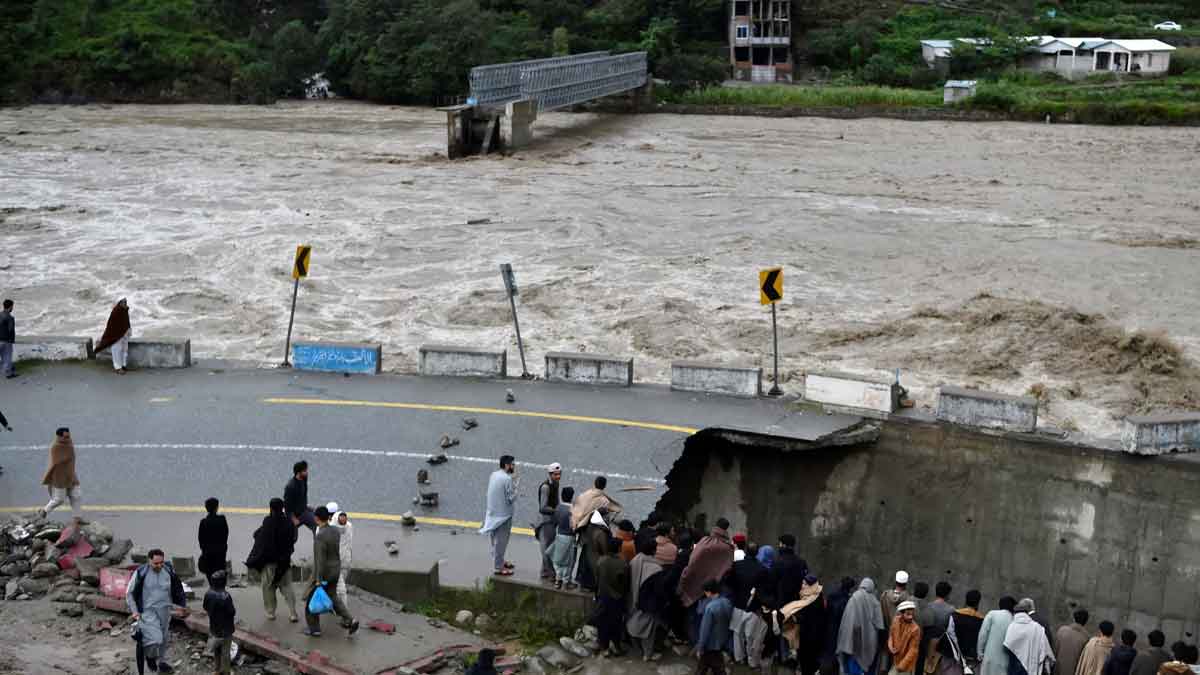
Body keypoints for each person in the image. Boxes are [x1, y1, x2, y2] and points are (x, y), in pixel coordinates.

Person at [126, 549, 189, 674]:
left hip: (165, 610)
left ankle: (162, 662)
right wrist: (135, 611)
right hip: (148, 612)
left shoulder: (168, 570)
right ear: (149, 561)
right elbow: (130, 593)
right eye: (156, 563)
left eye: (161, 562)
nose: (159, 566)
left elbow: (177, 589)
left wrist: (182, 605)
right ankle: (150, 657)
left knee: (164, 638)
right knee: (156, 638)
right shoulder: (141, 573)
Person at [302, 506, 359, 637]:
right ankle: (350, 619)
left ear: (316, 518)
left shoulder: (320, 536)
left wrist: (318, 579)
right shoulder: (335, 531)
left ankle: (314, 629)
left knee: (311, 600)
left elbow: (320, 560)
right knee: (333, 597)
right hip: (335, 570)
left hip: (324, 573)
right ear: (329, 517)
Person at [246, 498, 299, 622]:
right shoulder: (288, 522)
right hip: (284, 562)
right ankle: (292, 613)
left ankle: (271, 612)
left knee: (268, 587)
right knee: (287, 588)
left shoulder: (268, 521)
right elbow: (293, 540)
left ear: (271, 508)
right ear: (283, 508)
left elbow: (262, 539)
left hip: (270, 563)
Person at [678, 517, 735, 609]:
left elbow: (693, 560)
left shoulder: (704, 541)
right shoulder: (728, 548)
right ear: (726, 529)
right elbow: (727, 567)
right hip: (711, 590)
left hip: (693, 581)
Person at [627, 537, 665, 661]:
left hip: (633, 600)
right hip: (648, 605)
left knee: (634, 624)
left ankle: (637, 648)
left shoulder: (634, 561)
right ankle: (647, 654)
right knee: (649, 631)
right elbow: (659, 591)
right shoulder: (656, 568)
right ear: (654, 550)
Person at [838, 577, 885, 675]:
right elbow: (880, 625)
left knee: (853, 665)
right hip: (870, 643)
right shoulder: (875, 601)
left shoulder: (854, 598)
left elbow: (847, 621)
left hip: (854, 642)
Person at [480, 455, 518, 577]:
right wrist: (515, 485)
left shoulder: (494, 475)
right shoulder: (507, 479)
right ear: (507, 465)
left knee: (495, 540)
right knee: (501, 542)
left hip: (492, 513)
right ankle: (498, 567)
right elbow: (511, 499)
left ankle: (500, 560)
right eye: (512, 464)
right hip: (504, 516)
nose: (514, 466)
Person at [593, 535, 629, 658]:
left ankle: (605, 648)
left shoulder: (601, 561)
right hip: (617, 598)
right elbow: (625, 582)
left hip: (603, 597)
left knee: (602, 623)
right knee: (616, 623)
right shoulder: (623, 563)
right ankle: (617, 647)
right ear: (619, 548)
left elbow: (597, 580)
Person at [784, 574, 827, 675]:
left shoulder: (811, 599)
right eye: (802, 583)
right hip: (811, 634)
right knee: (809, 661)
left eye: (805, 583)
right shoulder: (817, 595)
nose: (802, 585)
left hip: (809, 635)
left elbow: (806, 615)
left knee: (807, 661)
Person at [39, 427, 82, 522]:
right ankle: (44, 511)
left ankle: (77, 518)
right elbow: (56, 463)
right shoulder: (56, 447)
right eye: (65, 437)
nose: (68, 438)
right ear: (59, 437)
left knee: (77, 495)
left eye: (69, 436)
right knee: (59, 500)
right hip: (60, 477)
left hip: (71, 474)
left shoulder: (69, 443)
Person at [940, 589, 986, 675]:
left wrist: (958, 655)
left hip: (954, 659)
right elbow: (982, 640)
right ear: (978, 602)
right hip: (973, 661)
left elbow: (951, 636)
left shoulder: (954, 615)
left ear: (966, 600)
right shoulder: (981, 620)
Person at [1005, 599, 1055, 675]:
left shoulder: (1011, 626)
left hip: (1015, 667)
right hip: (1033, 667)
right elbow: (1047, 650)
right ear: (1027, 612)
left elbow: (1006, 645)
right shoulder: (1037, 627)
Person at [696, 579, 733, 675]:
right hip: (721, 641)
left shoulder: (710, 607)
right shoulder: (727, 602)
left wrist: (700, 647)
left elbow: (705, 630)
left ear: (708, 592)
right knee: (715, 666)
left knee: (705, 668)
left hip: (710, 644)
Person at [203, 570, 237, 675]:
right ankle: (225, 671)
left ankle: (217, 669)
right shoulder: (225, 596)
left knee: (216, 651)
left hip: (214, 628)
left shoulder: (208, 593)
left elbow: (205, 607)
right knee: (225, 653)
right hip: (226, 629)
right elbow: (232, 612)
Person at [823, 577, 857, 675]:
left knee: (830, 652)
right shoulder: (848, 600)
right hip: (841, 630)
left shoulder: (831, 595)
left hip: (829, 628)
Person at [536, 463, 562, 581]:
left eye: (559, 474)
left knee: (549, 547)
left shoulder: (556, 484)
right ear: (550, 474)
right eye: (555, 474)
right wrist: (556, 510)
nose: (558, 476)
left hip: (552, 520)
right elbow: (542, 507)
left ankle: (544, 572)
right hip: (546, 522)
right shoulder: (545, 487)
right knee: (547, 549)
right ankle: (551, 574)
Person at [979, 597, 1018, 675]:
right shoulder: (1014, 620)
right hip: (1006, 662)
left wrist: (980, 652)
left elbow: (983, 635)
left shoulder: (992, 614)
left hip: (989, 659)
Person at [548, 486, 577, 589]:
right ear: (572, 497)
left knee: (558, 560)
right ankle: (566, 582)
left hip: (559, 535)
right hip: (570, 538)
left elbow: (554, 522)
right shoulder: (573, 510)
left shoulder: (558, 508)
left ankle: (558, 580)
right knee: (569, 561)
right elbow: (574, 526)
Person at [770, 533, 809, 607]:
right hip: (797, 603)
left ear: (784, 545)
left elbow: (772, 583)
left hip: (781, 603)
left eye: (780, 544)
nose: (779, 546)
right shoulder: (801, 561)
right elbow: (805, 580)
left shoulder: (777, 562)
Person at [729, 540, 768, 611]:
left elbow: (730, 583)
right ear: (757, 553)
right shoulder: (762, 569)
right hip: (753, 606)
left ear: (746, 551)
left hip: (737, 603)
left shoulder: (736, 565)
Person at [95, 298, 131, 374]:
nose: (125, 303)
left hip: (124, 334)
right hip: (116, 336)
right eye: (123, 302)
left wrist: (128, 331)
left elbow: (127, 322)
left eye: (125, 301)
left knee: (124, 350)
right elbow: (111, 326)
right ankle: (118, 368)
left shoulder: (124, 311)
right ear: (119, 303)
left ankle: (124, 365)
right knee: (117, 350)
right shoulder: (115, 312)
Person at [198, 497, 229, 582]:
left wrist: (205, 551)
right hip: (220, 555)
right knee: (220, 580)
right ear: (217, 507)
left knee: (211, 580)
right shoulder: (222, 519)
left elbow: (201, 540)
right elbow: (225, 535)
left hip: (208, 556)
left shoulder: (203, 522)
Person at [890, 600, 923, 675]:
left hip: (906, 665)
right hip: (895, 661)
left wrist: (902, 665)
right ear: (901, 614)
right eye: (908, 614)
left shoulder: (915, 629)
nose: (911, 617)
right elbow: (891, 635)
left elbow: (913, 650)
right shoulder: (896, 620)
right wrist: (891, 647)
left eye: (912, 614)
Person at [1055, 610, 1091, 675]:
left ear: (1074, 619)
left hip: (1058, 671)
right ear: (1086, 622)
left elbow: (1055, 652)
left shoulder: (1062, 630)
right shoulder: (1086, 638)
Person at [331, 506, 353, 609]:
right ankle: (344, 613)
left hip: (344, 561)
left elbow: (349, 543)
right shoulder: (329, 529)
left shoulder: (348, 526)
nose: (343, 524)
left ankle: (335, 603)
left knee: (339, 585)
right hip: (335, 563)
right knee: (341, 589)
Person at [284, 461, 316, 533]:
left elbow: (303, 495)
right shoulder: (290, 487)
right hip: (294, 515)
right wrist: (293, 518)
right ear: (298, 473)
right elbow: (287, 505)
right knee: (291, 536)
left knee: (317, 526)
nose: (307, 472)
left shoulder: (304, 479)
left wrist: (306, 506)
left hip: (304, 511)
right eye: (305, 471)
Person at [0, 299, 15, 379]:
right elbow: (11, 330)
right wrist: (12, 341)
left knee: (2, 357)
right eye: (12, 306)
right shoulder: (10, 317)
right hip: (6, 341)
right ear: (10, 307)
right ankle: (9, 374)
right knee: (7, 357)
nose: (13, 308)